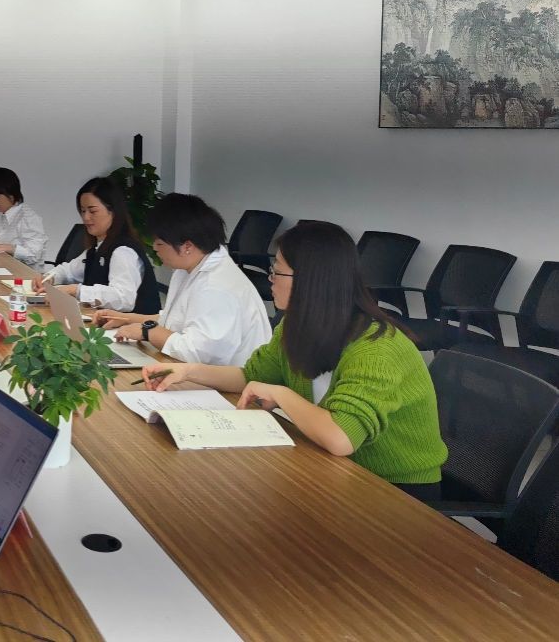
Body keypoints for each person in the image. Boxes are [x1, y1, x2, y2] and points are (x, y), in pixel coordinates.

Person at [142, 220, 446, 497]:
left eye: (277, 272)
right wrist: (188, 371)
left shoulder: (378, 348)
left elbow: (341, 437)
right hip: (331, 466)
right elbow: (250, 376)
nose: (271, 280)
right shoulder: (296, 325)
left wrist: (281, 395)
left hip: (395, 490)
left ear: (310, 280)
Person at [96, 193, 271, 366]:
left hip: (227, 382)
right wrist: (128, 318)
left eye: (159, 243)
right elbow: (176, 321)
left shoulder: (217, 286)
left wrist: (146, 332)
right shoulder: (189, 268)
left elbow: (199, 353)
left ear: (187, 246)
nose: (154, 248)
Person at [32, 177, 159, 313]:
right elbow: (69, 271)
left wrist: (76, 290)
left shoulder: (123, 251)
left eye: (93, 211)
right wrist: (49, 278)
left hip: (131, 324)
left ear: (113, 211)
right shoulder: (98, 247)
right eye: (83, 211)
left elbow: (123, 298)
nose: (86, 217)